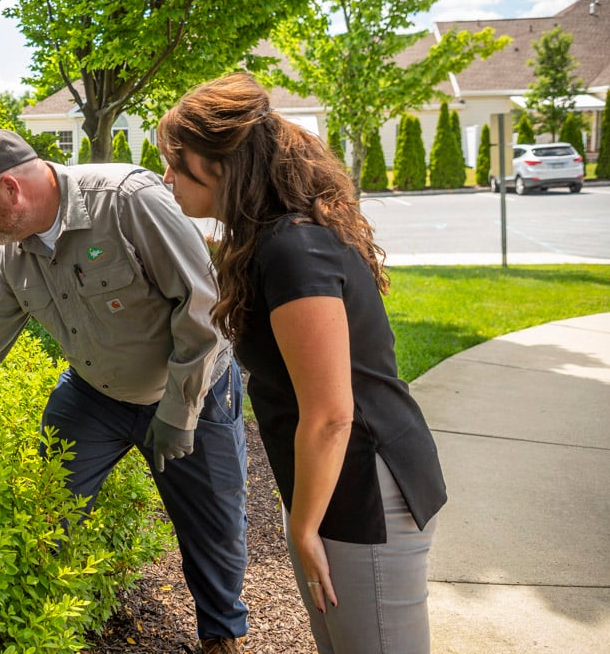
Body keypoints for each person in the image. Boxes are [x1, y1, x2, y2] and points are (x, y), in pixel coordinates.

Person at [0, 128, 250, 653]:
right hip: (95, 393)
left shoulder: (128, 202)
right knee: (49, 505)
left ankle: (221, 637)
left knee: (213, 526)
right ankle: (42, 620)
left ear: (11, 188)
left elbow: (203, 309)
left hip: (192, 386)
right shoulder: (14, 256)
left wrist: (179, 410)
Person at [156, 72, 447, 654]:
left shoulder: (293, 248)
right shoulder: (269, 239)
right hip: (337, 479)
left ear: (220, 164)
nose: (166, 176)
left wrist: (303, 524)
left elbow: (332, 414)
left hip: (364, 484)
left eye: (174, 160)